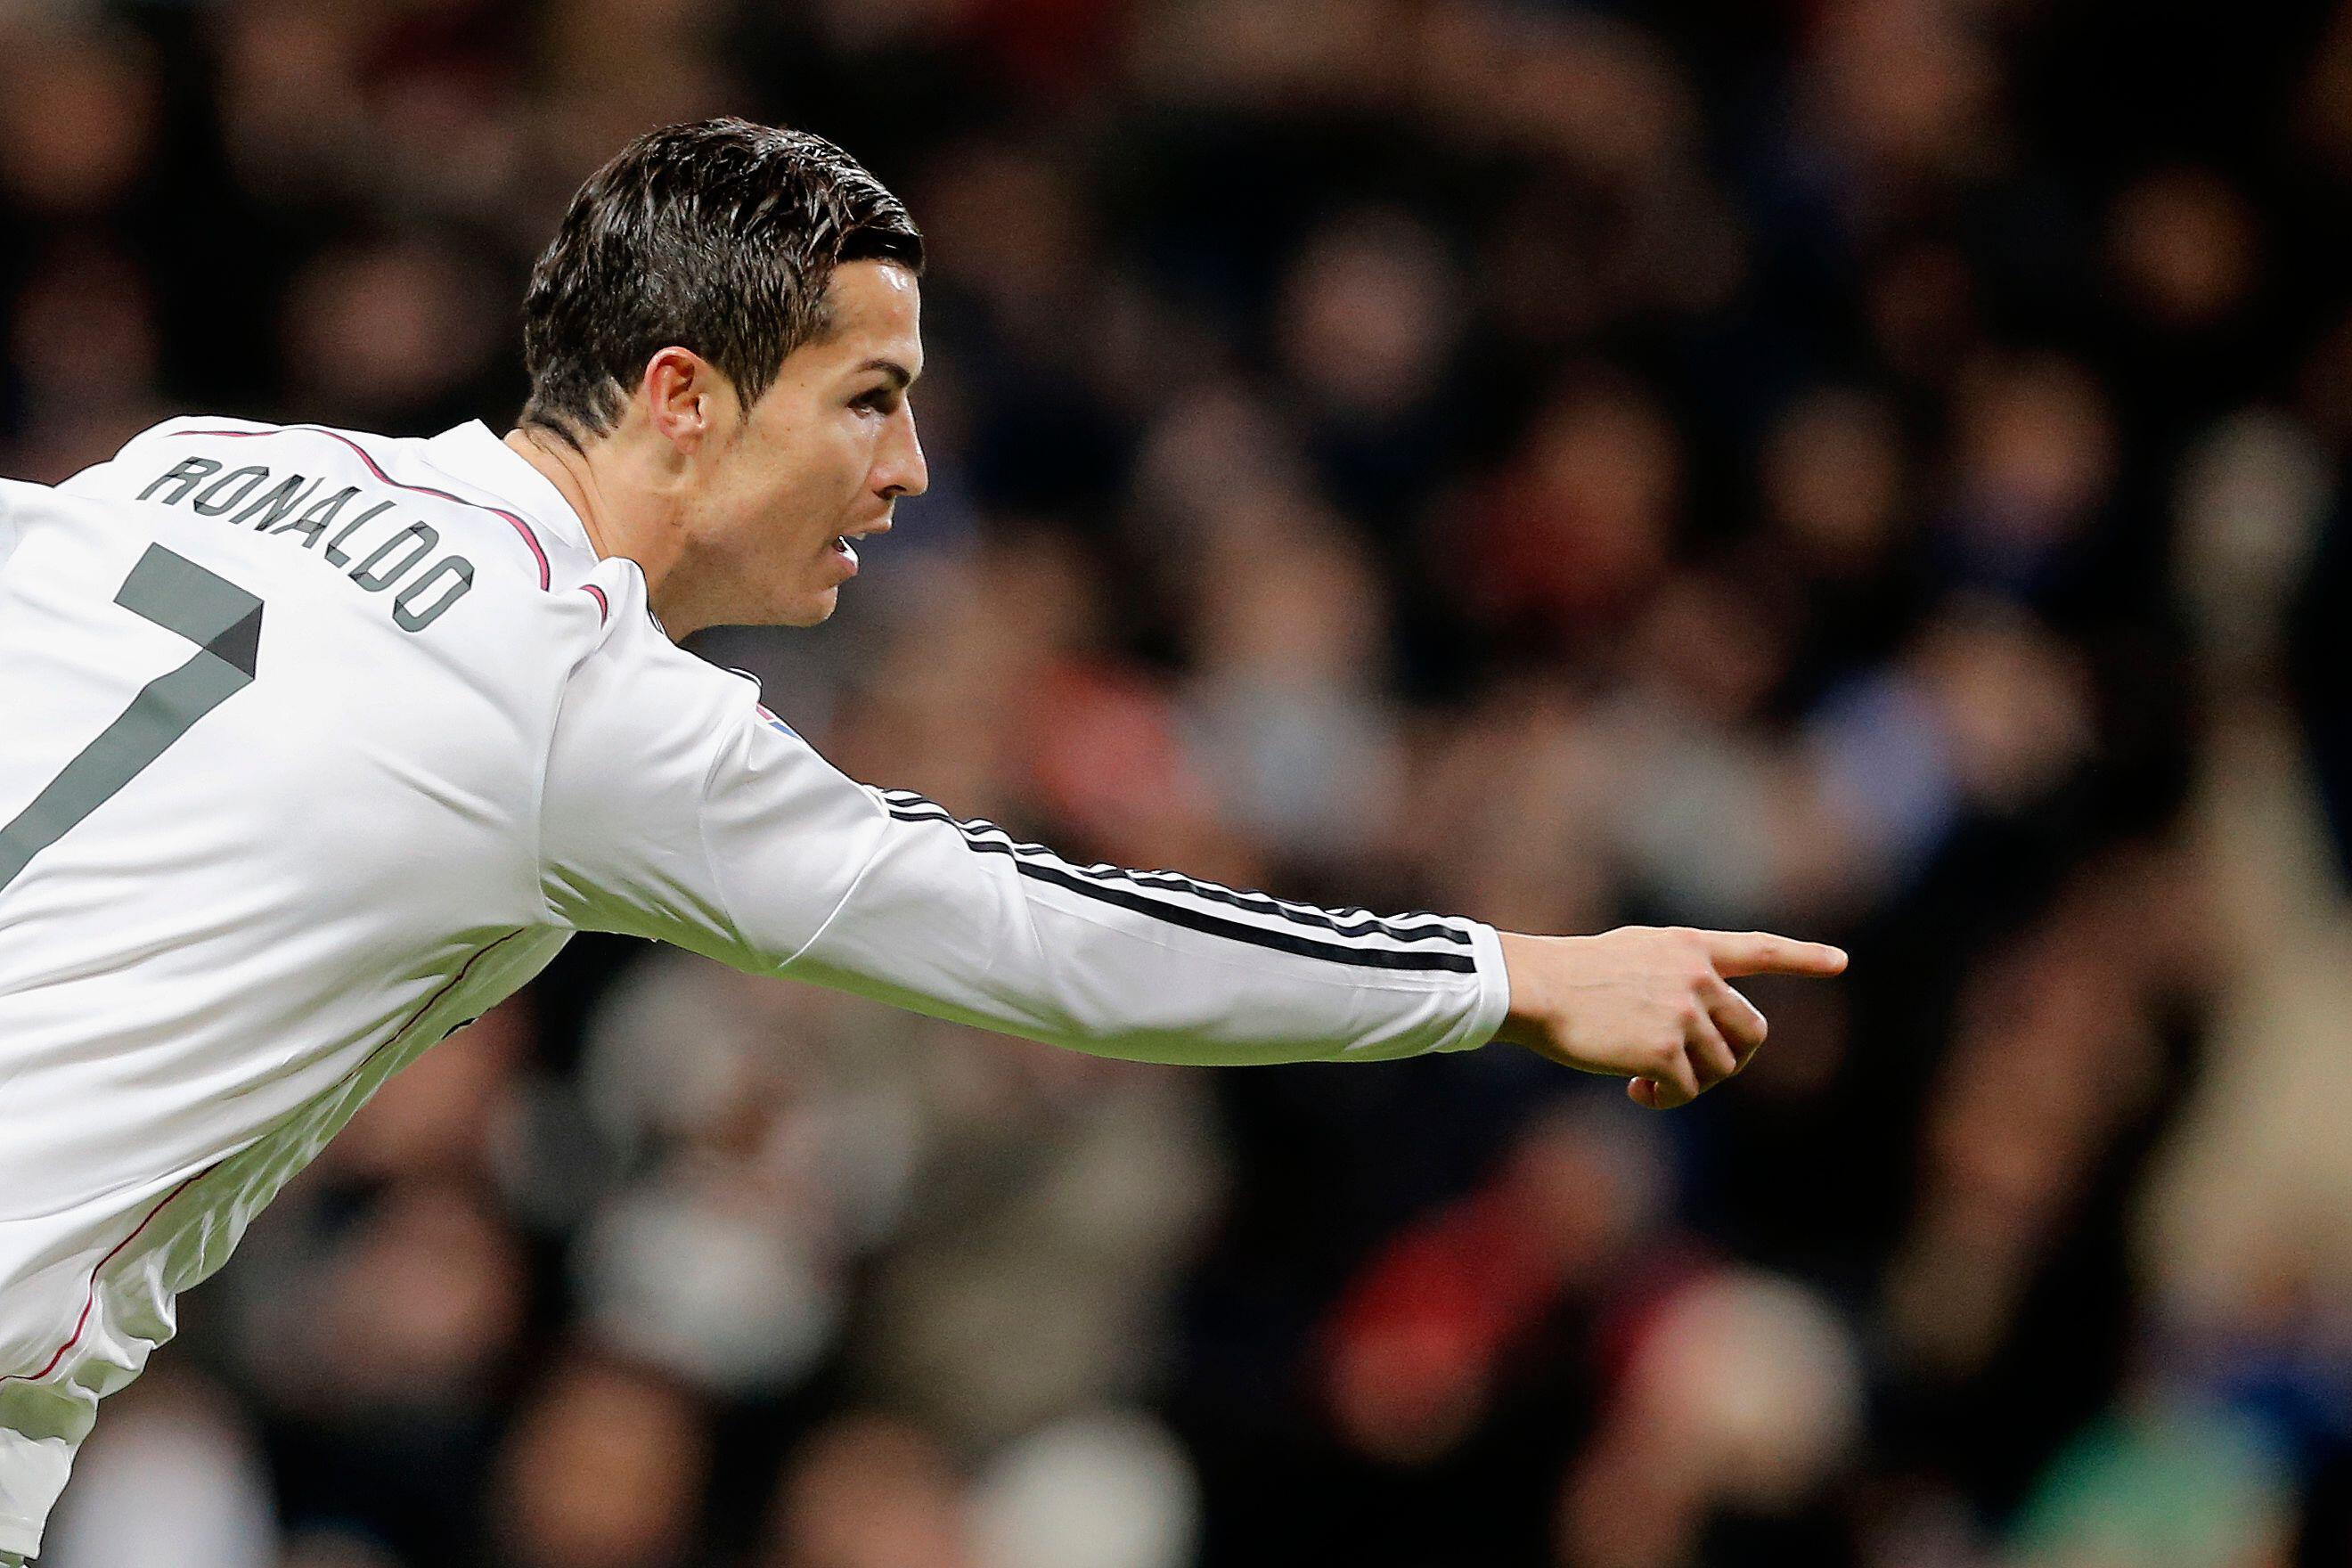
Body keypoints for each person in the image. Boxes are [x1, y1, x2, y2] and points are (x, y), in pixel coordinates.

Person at [0, 118, 1842, 1560]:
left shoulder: (194, 462)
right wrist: (1505, 970)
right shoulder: (577, 699)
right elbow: (1038, 935)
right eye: (871, 398)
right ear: (680, 397)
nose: (912, 469)